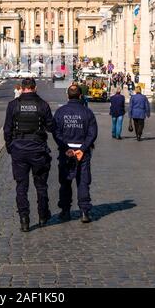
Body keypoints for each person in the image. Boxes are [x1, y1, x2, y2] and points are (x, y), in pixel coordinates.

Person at [3, 78, 54, 232]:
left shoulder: (13, 105)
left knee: (21, 187)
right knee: (41, 185)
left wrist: (10, 146)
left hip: (19, 148)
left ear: (22, 88)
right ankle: (43, 216)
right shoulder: (43, 105)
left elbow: (7, 129)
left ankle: (24, 219)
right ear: (35, 88)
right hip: (37, 149)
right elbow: (51, 127)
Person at [53, 84, 98, 223]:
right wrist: (82, 149)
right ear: (80, 96)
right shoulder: (87, 112)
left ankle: (65, 211)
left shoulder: (60, 112)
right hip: (82, 153)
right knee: (83, 182)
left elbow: (56, 133)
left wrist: (66, 148)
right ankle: (84, 211)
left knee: (65, 182)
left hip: (66, 152)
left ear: (67, 96)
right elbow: (92, 133)